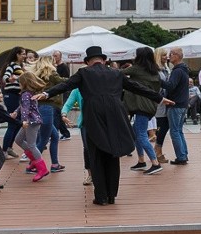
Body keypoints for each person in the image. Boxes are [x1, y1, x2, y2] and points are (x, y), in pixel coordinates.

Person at [34, 46, 170, 206]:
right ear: (104, 60)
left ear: (88, 62)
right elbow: (137, 87)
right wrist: (159, 98)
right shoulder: (116, 73)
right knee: (113, 152)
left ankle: (101, 196)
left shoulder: (84, 73)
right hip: (116, 114)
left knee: (96, 153)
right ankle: (112, 195)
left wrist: (47, 93)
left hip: (94, 114)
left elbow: (66, 85)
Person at [122, 47, 164, 175]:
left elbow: (118, 72)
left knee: (140, 134)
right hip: (150, 105)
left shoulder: (137, 69)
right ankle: (141, 161)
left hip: (142, 106)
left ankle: (155, 163)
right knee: (136, 132)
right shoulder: (154, 70)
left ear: (140, 57)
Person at [31, 56, 66, 172]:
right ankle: (32, 164)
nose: (55, 64)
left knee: (54, 136)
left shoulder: (37, 75)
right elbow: (63, 83)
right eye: (54, 62)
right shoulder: (51, 73)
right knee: (43, 139)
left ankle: (55, 164)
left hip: (39, 107)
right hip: (47, 107)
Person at [13, 72, 50, 181]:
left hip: (31, 122)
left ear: (24, 83)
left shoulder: (26, 94)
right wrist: (16, 112)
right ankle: (34, 161)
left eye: (20, 82)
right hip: (32, 121)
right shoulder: (28, 93)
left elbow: (26, 109)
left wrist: (24, 121)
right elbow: (23, 106)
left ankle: (42, 169)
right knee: (18, 140)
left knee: (32, 145)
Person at [162, 47, 190, 164]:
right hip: (183, 104)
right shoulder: (184, 69)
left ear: (177, 56)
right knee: (179, 130)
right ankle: (184, 154)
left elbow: (170, 85)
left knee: (174, 131)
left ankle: (181, 157)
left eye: (171, 54)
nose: (169, 56)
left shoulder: (177, 71)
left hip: (175, 104)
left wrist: (159, 81)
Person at [1, 47, 27, 159]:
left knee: (17, 122)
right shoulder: (12, 65)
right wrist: (10, 79)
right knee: (13, 122)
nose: (24, 56)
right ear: (17, 55)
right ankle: (4, 151)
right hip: (11, 95)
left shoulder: (19, 66)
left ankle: (9, 148)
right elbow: (4, 77)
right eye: (23, 54)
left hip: (17, 95)